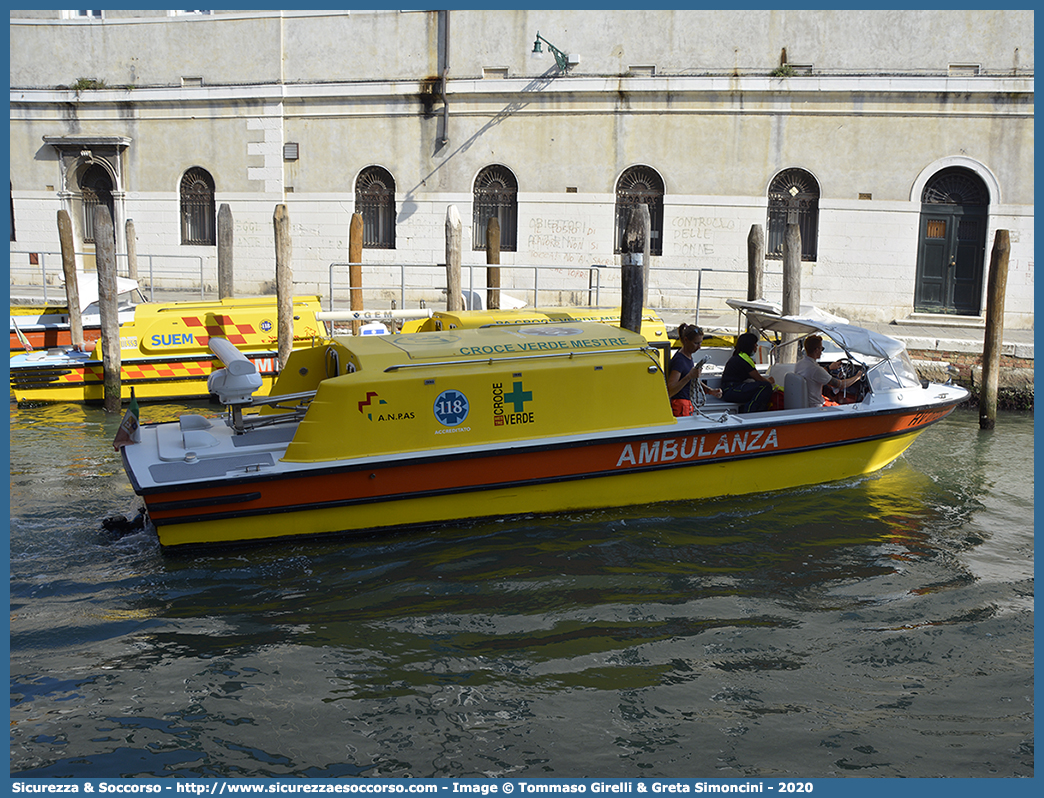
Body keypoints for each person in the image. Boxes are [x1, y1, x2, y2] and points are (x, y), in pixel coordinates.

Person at [666, 323, 722, 416]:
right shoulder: (679, 361)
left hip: (687, 405)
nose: (699, 347)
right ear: (686, 340)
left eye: (700, 343)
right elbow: (670, 391)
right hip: (680, 407)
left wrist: (709, 391)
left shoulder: (688, 357)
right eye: (696, 343)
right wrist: (689, 376)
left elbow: (694, 381)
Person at [794, 334, 865, 407]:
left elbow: (814, 375)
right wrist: (857, 377)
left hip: (805, 403)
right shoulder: (816, 369)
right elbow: (840, 385)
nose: (821, 352)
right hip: (815, 407)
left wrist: (829, 368)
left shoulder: (800, 364)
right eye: (822, 348)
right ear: (817, 350)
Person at [720, 331, 775, 413]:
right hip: (732, 390)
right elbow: (758, 378)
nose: (757, 346)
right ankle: (750, 410)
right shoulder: (744, 359)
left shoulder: (738, 356)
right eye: (755, 344)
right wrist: (770, 381)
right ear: (750, 346)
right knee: (765, 386)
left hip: (729, 390)